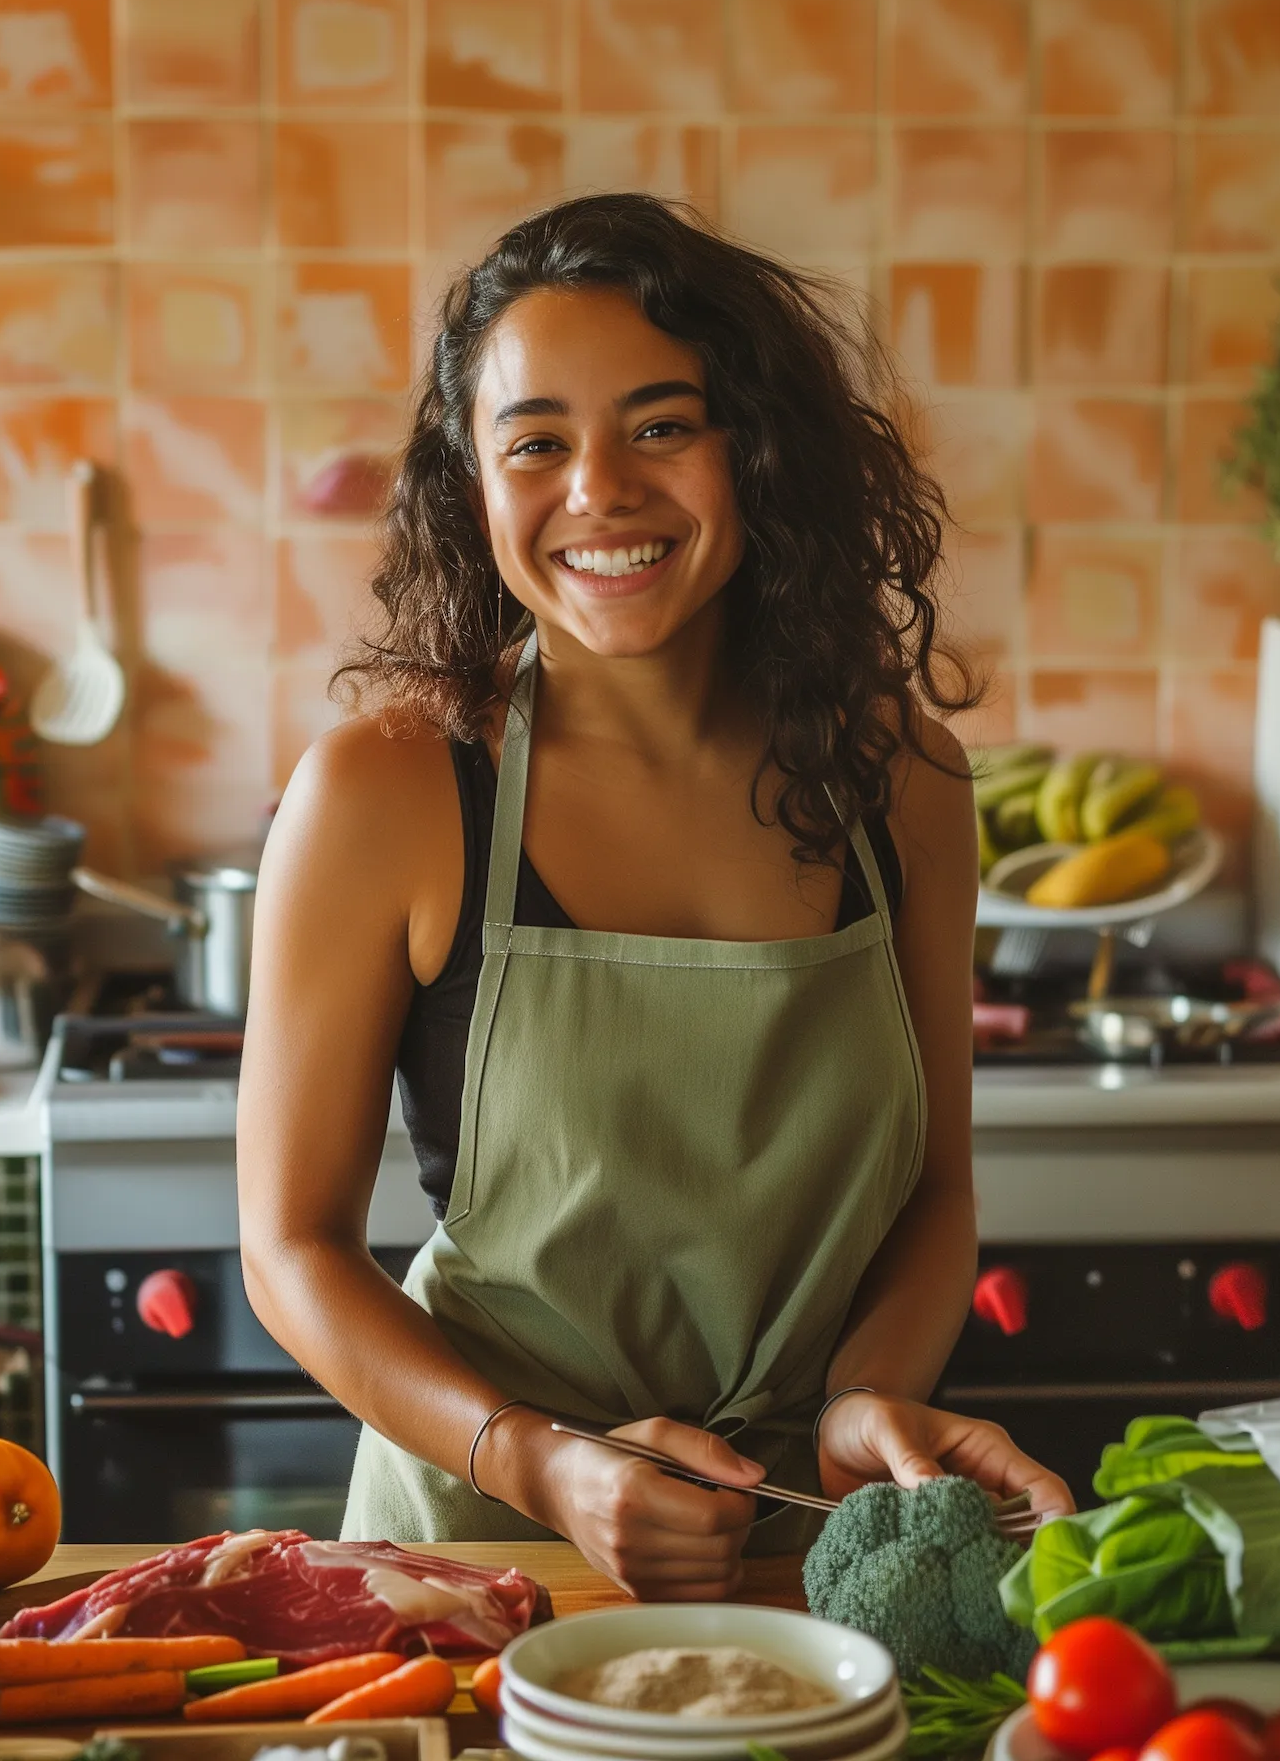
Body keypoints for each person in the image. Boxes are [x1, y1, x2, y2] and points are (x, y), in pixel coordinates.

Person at [237, 194, 1073, 1602]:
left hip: (809, 1544)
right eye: (537, 443)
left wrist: (865, 1398)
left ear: (758, 449)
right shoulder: (389, 792)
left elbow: (933, 1191)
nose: (599, 490)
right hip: (488, 1550)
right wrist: (537, 1460)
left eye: (662, 425)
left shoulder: (898, 779)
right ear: (473, 485)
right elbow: (292, 1249)